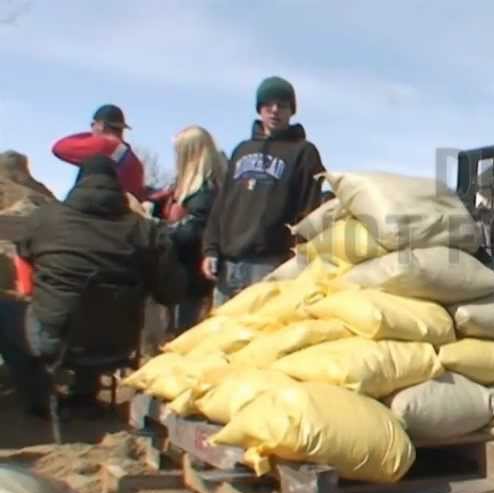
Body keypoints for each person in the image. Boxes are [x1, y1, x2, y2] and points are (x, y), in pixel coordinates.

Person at [0, 155, 186, 417]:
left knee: (6, 311)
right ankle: (84, 396)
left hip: (55, 339)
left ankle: (39, 398)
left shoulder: (46, 219)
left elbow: (25, 256)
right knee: (94, 311)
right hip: (118, 343)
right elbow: (171, 292)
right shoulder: (144, 230)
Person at [201, 76, 326, 305]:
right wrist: (210, 249)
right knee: (223, 334)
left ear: (292, 111)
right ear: (260, 109)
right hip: (229, 263)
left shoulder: (304, 152)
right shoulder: (241, 150)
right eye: (269, 105)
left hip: (272, 263)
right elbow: (222, 204)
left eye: (283, 105)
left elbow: (310, 209)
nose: (275, 110)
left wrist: (300, 255)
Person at [153, 126, 227, 332]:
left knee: (184, 335)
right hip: (185, 276)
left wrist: (156, 229)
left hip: (192, 279)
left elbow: (193, 232)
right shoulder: (192, 187)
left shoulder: (205, 190)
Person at [51, 104, 147, 201]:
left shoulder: (103, 145)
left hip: (92, 211)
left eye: (92, 125)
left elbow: (59, 147)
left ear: (100, 126)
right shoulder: (133, 159)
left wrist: (92, 135)